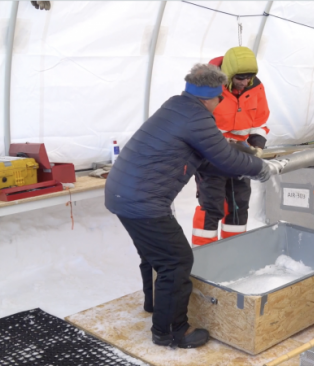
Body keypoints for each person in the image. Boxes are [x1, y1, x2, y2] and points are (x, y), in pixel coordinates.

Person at [104, 63, 284, 348]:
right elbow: (224, 156)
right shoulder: (197, 118)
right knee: (176, 261)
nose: (220, 103)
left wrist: (246, 154)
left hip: (121, 192)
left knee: (155, 255)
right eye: (220, 98)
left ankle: (155, 305)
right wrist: (259, 168)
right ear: (211, 97)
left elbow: (216, 150)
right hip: (143, 201)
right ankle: (171, 331)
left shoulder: (177, 106)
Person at [192, 47, 271, 245]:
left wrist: (257, 146)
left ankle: (234, 251)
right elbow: (196, 124)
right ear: (227, 74)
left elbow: (260, 122)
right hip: (211, 156)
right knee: (211, 206)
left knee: (239, 205)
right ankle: (203, 257)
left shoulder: (256, 88)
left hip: (241, 157)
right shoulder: (207, 87)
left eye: (249, 78)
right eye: (239, 78)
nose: (244, 83)